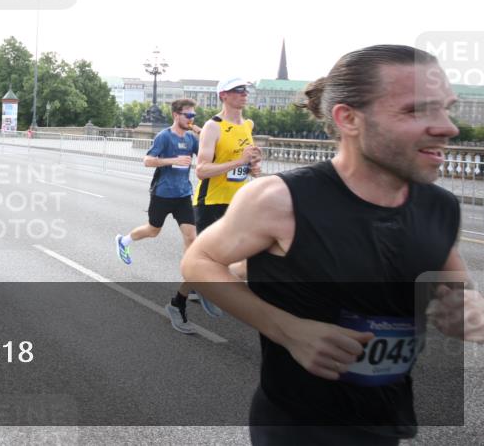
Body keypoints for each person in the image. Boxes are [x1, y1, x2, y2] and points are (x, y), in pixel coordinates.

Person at [181, 45, 484, 445]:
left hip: (386, 423)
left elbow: (456, 290)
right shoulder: (280, 198)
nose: (447, 127)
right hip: (296, 425)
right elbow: (198, 261)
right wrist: (290, 331)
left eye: (446, 109)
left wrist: (467, 310)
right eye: (416, 110)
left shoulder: (439, 205)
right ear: (349, 118)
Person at [114, 98, 202, 334]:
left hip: (183, 195)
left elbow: (207, 154)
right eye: (188, 116)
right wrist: (173, 160)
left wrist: (201, 131)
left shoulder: (192, 138)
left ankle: (189, 279)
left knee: (191, 237)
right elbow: (147, 160)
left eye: (194, 116)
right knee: (153, 230)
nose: (191, 119)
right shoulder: (165, 137)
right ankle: (124, 241)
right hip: (163, 194)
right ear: (176, 115)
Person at [191, 77, 263, 316]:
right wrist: (240, 161)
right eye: (238, 90)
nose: (244, 93)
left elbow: (245, 166)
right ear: (223, 95)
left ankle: (205, 287)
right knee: (211, 258)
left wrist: (253, 167)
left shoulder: (248, 125)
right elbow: (201, 170)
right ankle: (183, 299)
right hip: (211, 201)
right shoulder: (213, 126)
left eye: (246, 90)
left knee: (247, 253)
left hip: (237, 201)